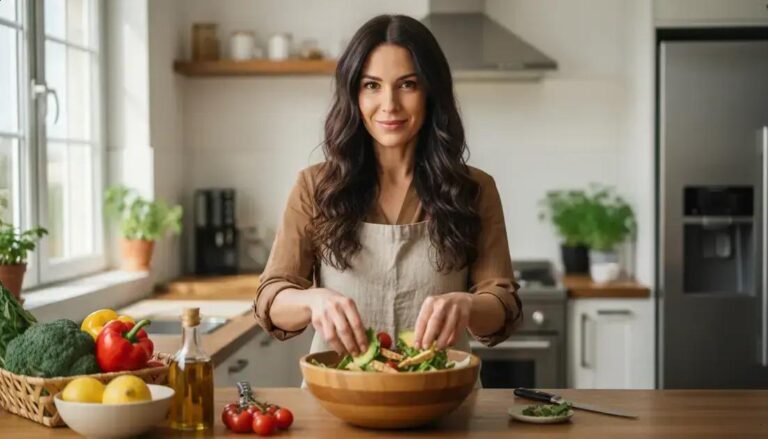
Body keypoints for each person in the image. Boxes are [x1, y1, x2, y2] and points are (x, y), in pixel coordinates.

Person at [253, 15, 522, 360]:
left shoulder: (474, 189)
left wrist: (469, 305)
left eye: (407, 84)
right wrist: (311, 300)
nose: (390, 104)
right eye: (372, 85)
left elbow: (503, 304)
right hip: (339, 401)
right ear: (354, 95)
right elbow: (270, 298)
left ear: (430, 92)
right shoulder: (315, 186)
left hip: (444, 401)